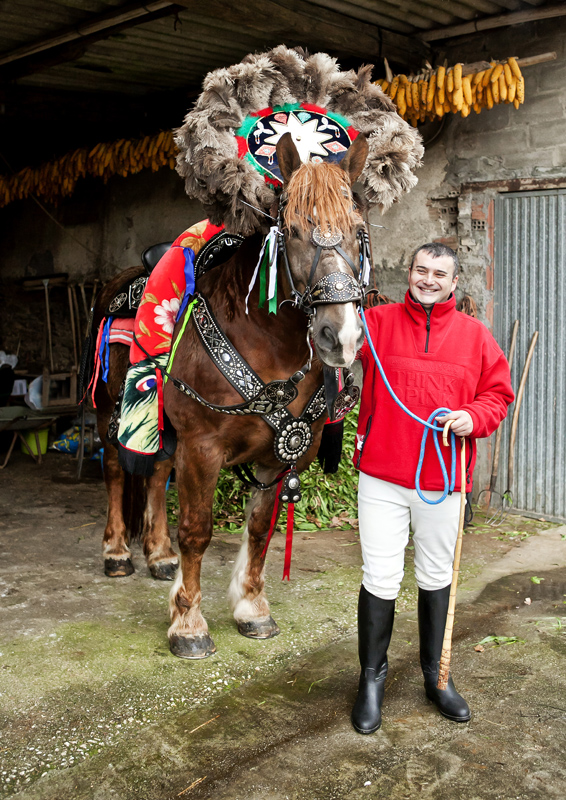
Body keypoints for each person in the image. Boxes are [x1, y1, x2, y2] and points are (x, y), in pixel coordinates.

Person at [351, 242, 514, 734]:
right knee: (379, 577)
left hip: (443, 482)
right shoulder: (375, 323)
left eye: (439, 273)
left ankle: (435, 677)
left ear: (454, 282)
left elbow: (498, 395)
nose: (428, 279)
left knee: (435, 575)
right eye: (421, 270)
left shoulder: (475, 336)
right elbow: (329, 347)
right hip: (381, 475)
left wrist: (473, 416)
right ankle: (371, 680)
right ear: (410, 273)